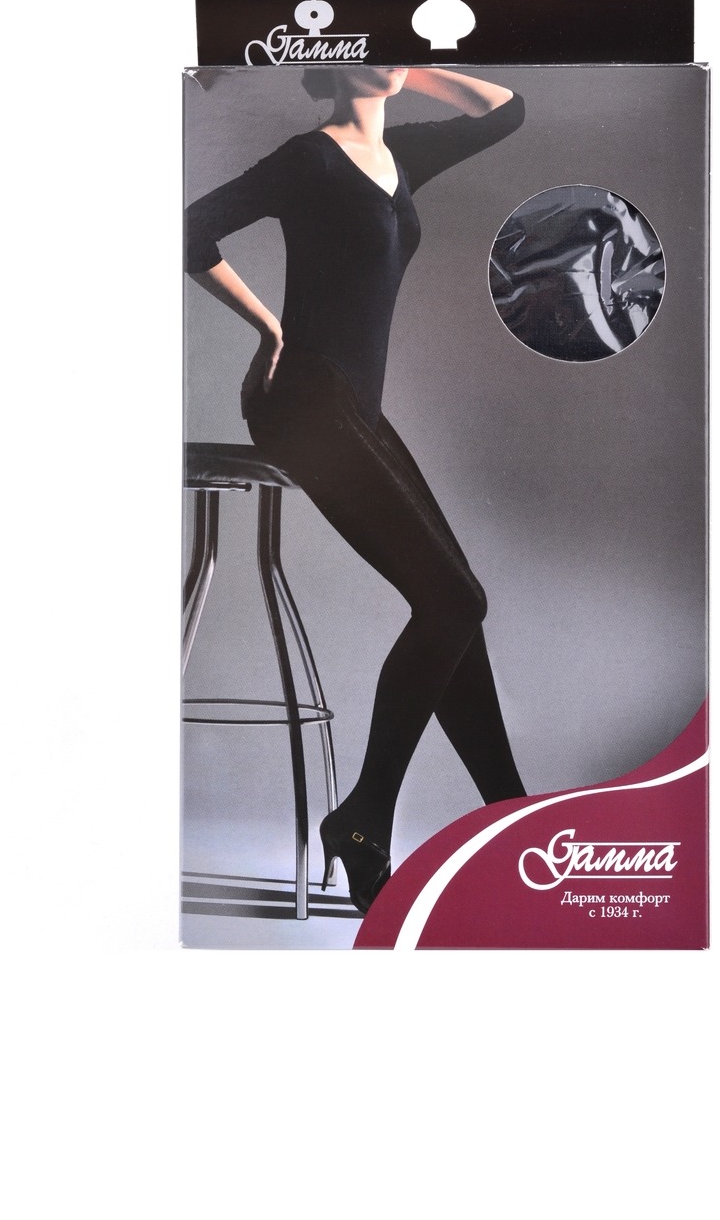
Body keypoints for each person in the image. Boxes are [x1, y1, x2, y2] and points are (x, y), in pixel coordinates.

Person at [185, 66, 527, 912]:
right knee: (455, 600)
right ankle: (368, 820)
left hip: (355, 412)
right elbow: (188, 231)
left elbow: (505, 112)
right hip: (303, 405)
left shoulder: (402, 155)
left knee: (455, 604)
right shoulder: (309, 159)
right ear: (335, 59)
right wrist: (268, 327)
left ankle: (510, 820)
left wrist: (411, 61)